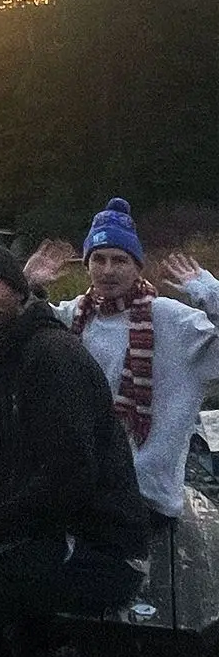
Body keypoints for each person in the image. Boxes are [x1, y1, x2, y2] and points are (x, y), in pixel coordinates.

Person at [0, 240, 150, 657]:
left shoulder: (50, 358)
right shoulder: (1, 364)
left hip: (101, 547)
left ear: (16, 290)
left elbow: (70, 477)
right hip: (53, 529)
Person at [29, 198, 219, 523]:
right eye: (98, 259)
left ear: (136, 266)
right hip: (80, 489)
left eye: (119, 260)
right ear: (87, 264)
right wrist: (28, 286)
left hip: (146, 499)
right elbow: (23, 329)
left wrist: (209, 291)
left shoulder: (171, 320)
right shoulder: (78, 316)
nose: (107, 270)